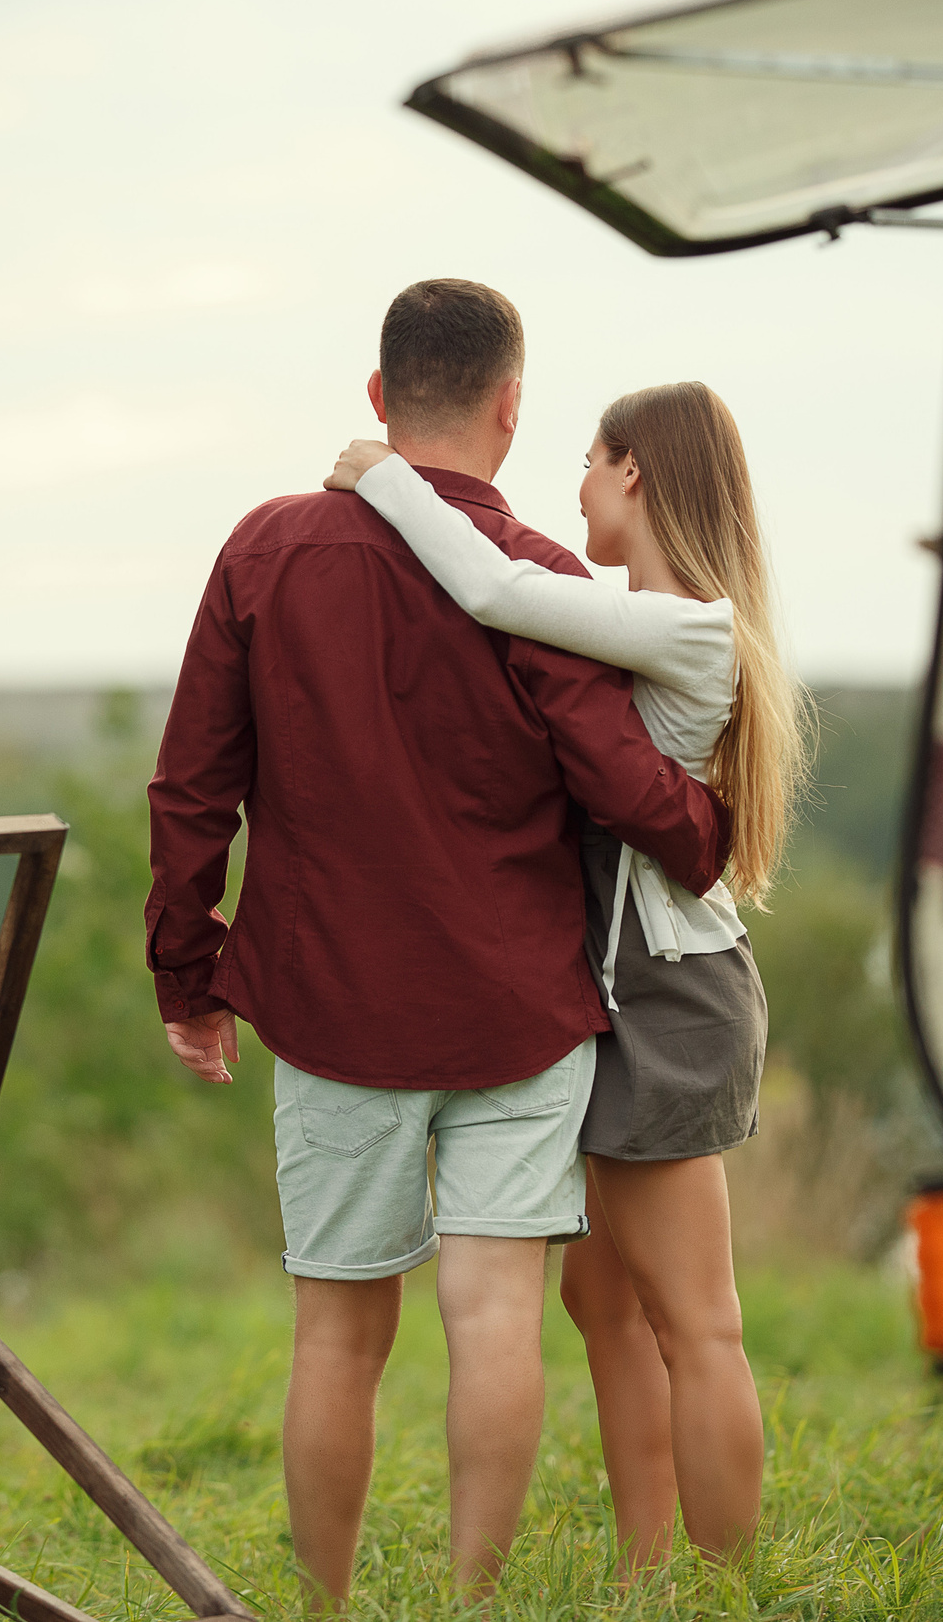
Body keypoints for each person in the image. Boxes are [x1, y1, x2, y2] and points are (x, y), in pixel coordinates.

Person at [145, 280, 732, 1609]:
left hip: (332, 1003)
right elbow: (615, 779)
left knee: (337, 1338)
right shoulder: (540, 582)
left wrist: (190, 975)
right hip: (519, 1010)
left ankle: (328, 1607)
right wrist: (711, 829)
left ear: (377, 399)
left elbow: (193, 786)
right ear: (511, 410)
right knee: (497, 1319)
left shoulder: (263, 549)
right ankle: (473, 1601)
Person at [321, 379, 805, 1580]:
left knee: (696, 1320)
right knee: (607, 1309)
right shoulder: (643, 614)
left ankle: (725, 1587)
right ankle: (649, 1572)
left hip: (664, 996)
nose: (575, 483)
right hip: (616, 987)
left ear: (636, 473)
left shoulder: (686, 624)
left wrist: (379, 473)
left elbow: (494, 590)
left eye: (591, 461)